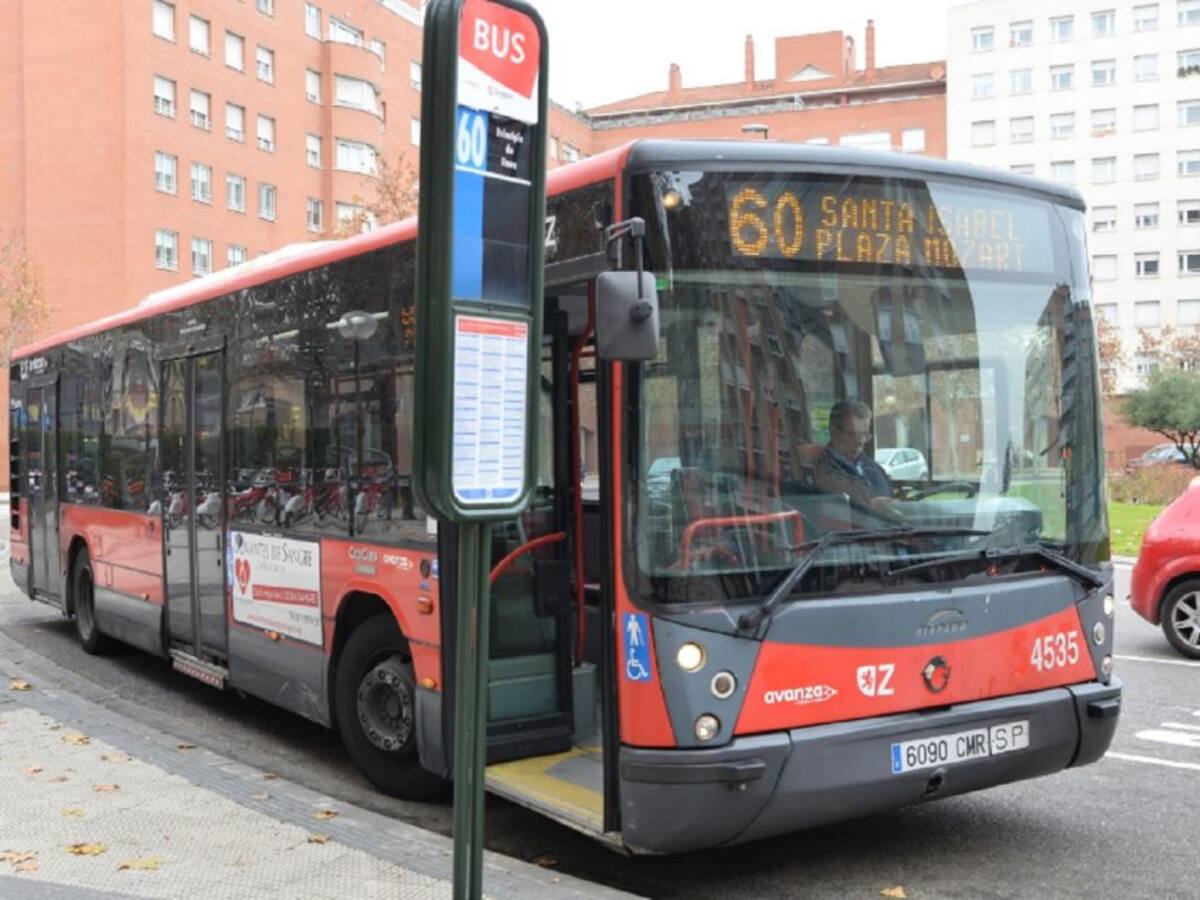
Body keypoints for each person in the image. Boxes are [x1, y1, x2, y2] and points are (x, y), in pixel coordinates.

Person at [813, 399, 901, 520]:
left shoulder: (873, 467)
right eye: (853, 434)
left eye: (864, 435)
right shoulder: (824, 468)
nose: (860, 442)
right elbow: (840, 509)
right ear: (834, 431)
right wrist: (871, 505)